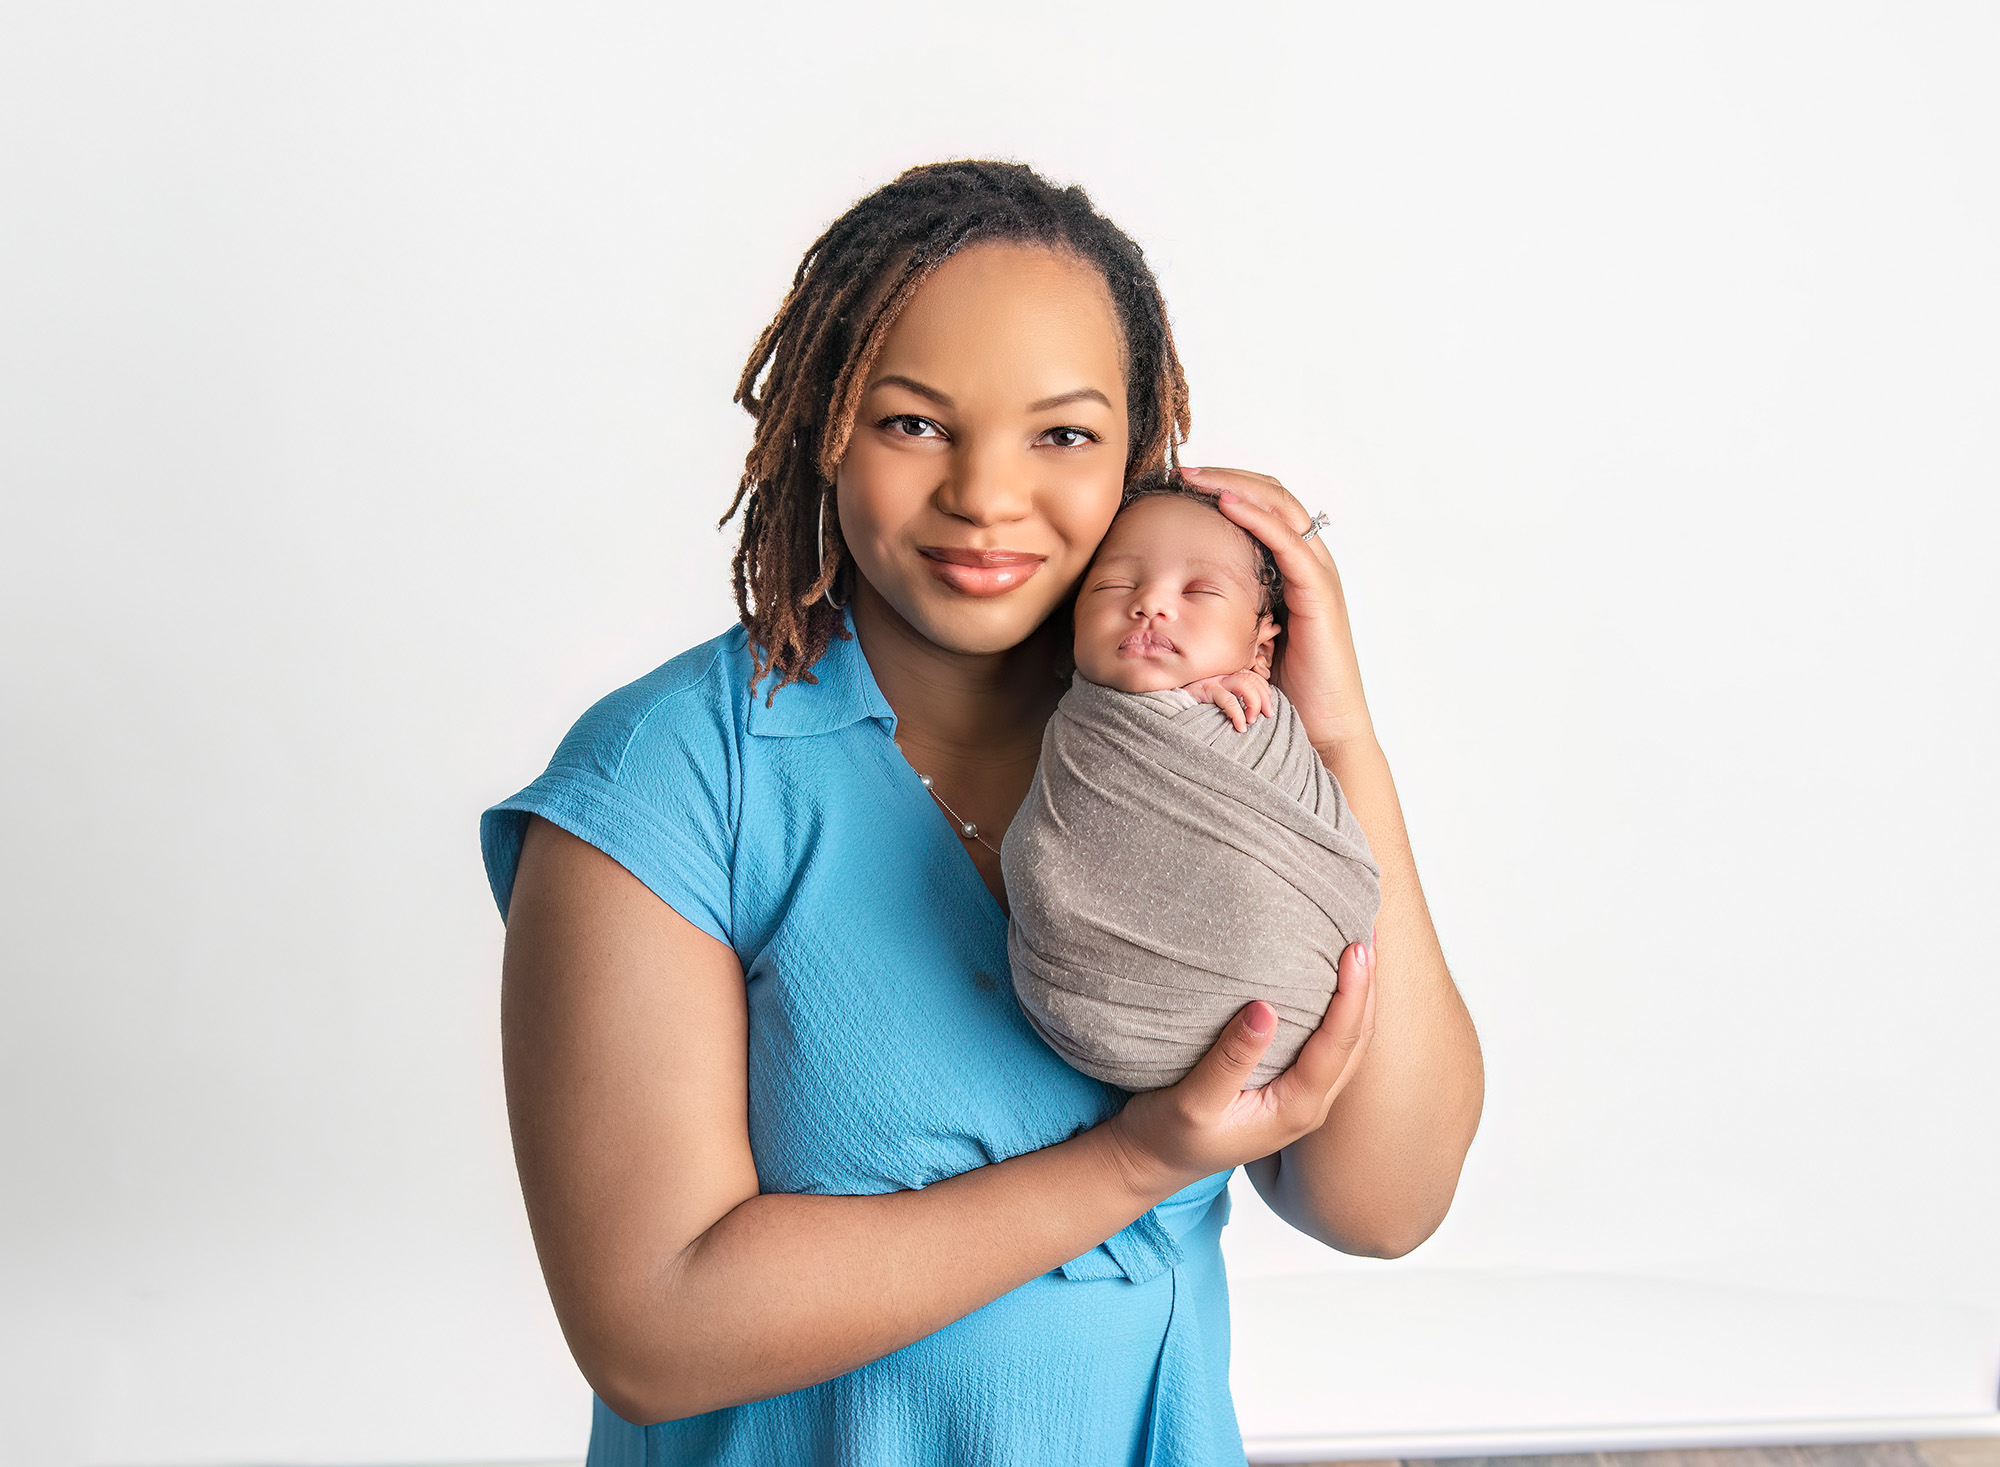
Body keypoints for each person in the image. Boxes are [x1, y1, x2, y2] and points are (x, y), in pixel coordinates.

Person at [482, 159, 1484, 1465]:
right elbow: (654, 1328)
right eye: (912, 423)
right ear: (820, 429)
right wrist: (1131, 1163)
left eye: (1061, 434)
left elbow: (1384, 1199)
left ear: (1143, 453)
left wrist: (1339, 732)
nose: (988, 495)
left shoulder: (1220, 750)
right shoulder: (673, 773)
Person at [1003, 476, 1383, 1092]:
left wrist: (1202, 710)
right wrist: (1174, 705)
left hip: (1282, 1008)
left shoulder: (1253, 716)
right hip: (1083, 998)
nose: (1149, 602)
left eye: (1200, 590)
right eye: (1113, 585)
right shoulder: (1081, 721)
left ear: (1262, 649)